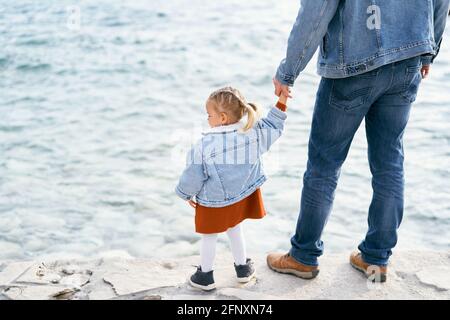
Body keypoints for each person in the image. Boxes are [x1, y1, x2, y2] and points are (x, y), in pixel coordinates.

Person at [267, 0, 449, 282]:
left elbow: (317, 11)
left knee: (324, 165)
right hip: (408, 57)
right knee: (390, 160)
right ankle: (376, 259)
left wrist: (288, 71)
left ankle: (303, 257)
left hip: (352, 64)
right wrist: (429, 51)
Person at [175, 86, 288, 290]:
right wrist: (282, 101)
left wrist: (185, 193)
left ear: (223, 118)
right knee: (235, 229)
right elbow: (273, 125)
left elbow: (193, 175)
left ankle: (205, 276)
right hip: (241, 196)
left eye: (209, 115)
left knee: (209, 236)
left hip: (214, 200)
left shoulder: (204, 146)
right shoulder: (253, 134)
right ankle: (243, 269)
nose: (207, 118)